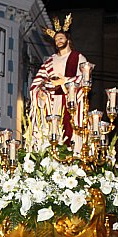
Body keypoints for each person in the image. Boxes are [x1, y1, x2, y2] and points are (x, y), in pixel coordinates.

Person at [28, 13, 88, 149]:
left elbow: (84, 79)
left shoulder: (78, 58)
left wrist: (64, 81)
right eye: (56, 40)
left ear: (67, 39)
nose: (58, 41)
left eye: (61, 38)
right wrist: (40, 93)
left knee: (70, 135)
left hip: (70, 102)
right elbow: (37, 82)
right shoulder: (49, 61)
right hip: (52, 103)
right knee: (51, 135)